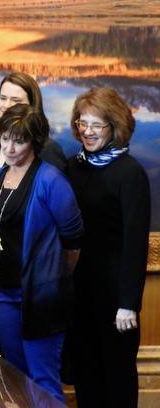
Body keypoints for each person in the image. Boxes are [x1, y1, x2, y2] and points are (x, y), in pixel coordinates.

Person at [0, 104, 83, 402]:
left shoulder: (51, 180)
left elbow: (73, 241)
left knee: (43, 380)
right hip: (1, 291)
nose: (9, 148)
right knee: (15, 375)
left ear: (34, 141)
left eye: (19, 141)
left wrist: (51, 277)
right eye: (5, 139)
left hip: (40, 295)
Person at [66, 87, 150, 408]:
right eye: (82, 123)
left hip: (116, 302)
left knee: (116, 379)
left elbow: (135, 242)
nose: (87, 132)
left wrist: (129, 303)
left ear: (114, 127)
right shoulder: (73, 168)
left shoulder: (130, 173)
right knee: (86, 377)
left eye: (96, 125)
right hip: (80, 294)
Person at [0, 72, 66, 171]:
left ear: (32, 105)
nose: (6, 105)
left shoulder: (49, 150)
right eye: (3, 98)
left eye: (15, 100)